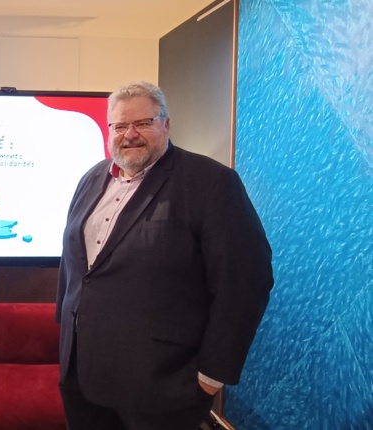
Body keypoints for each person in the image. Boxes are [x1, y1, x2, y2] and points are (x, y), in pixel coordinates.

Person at [56, 81, 273, 430]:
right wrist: (65, 333)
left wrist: (213, 374)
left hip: (163, 385)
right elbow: (75, 263)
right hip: (82, 377)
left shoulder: (211, 183)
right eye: (120, 125)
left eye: (143, 123)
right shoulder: (91, 178)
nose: (130, 134)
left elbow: (247, 280)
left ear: (166, 125)